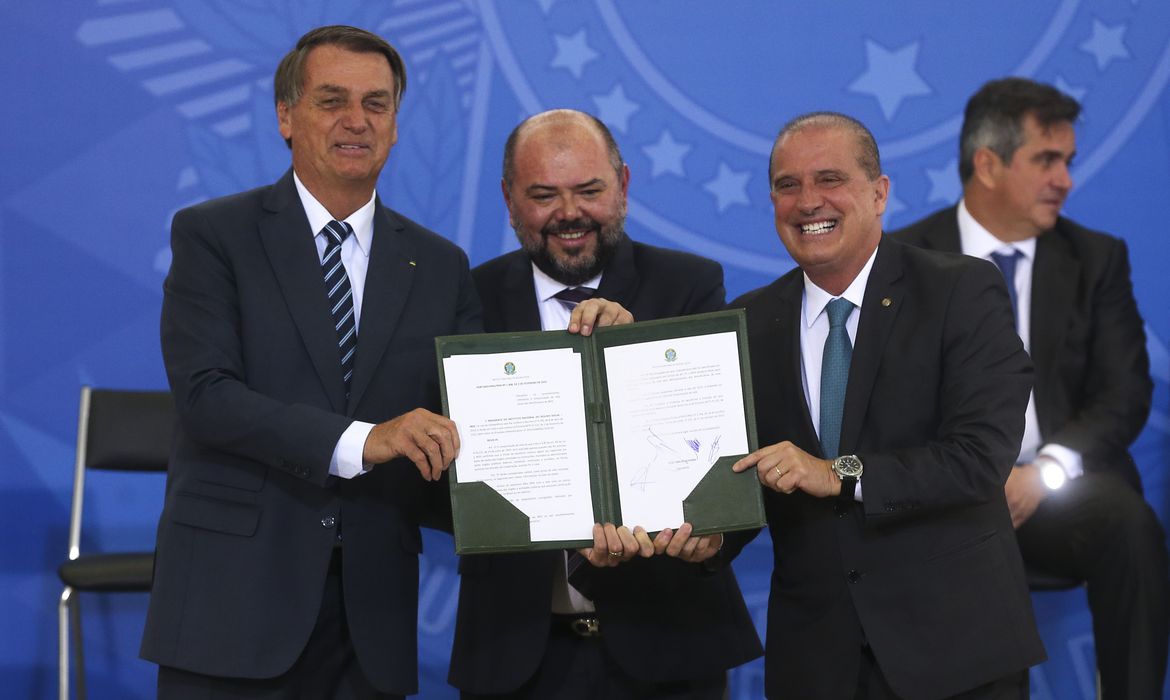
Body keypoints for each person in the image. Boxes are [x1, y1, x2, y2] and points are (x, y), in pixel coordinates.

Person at [140, 27, 624, 699]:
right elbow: (207, 396)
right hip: (234, 604)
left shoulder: (439, 266)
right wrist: (366, 440)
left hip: (373, 621)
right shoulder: (213, 235)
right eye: (331, 100)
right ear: (286, 115)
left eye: (376, 103)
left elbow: (475, 428)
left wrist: (588, 482)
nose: (355, 121)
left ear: (396, 126)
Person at [725, 112, 1045, 699]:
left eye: (830, 179)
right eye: (787, 185)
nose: (808, 202)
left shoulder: (961, 290)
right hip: (816, 662)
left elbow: (980, 457)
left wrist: (838, 473)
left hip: (955, 652)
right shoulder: (747, 322)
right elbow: (742, 477)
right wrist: (690, 534)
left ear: (879, 193)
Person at [447, 109, 762, 699]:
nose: (569, 213)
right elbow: (439, 474)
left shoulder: (689, 285)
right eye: (543, 194)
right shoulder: (468, 298)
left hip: (668, 647)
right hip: (513, 655)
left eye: (589, 190)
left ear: (623, 184)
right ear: (509, 199)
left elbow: (725, 450)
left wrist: (629, 350)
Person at [892, 77, 1170, 700]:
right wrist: (967, 476)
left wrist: (1044, 470)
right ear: (987, 165)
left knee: (1131, 528)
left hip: (1059, 488)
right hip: (948, 493)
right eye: (1048, 160)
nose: (1066, 180)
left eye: (1067, 161)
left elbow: (1123, 394)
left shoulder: (1096, 259)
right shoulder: (904, 258)